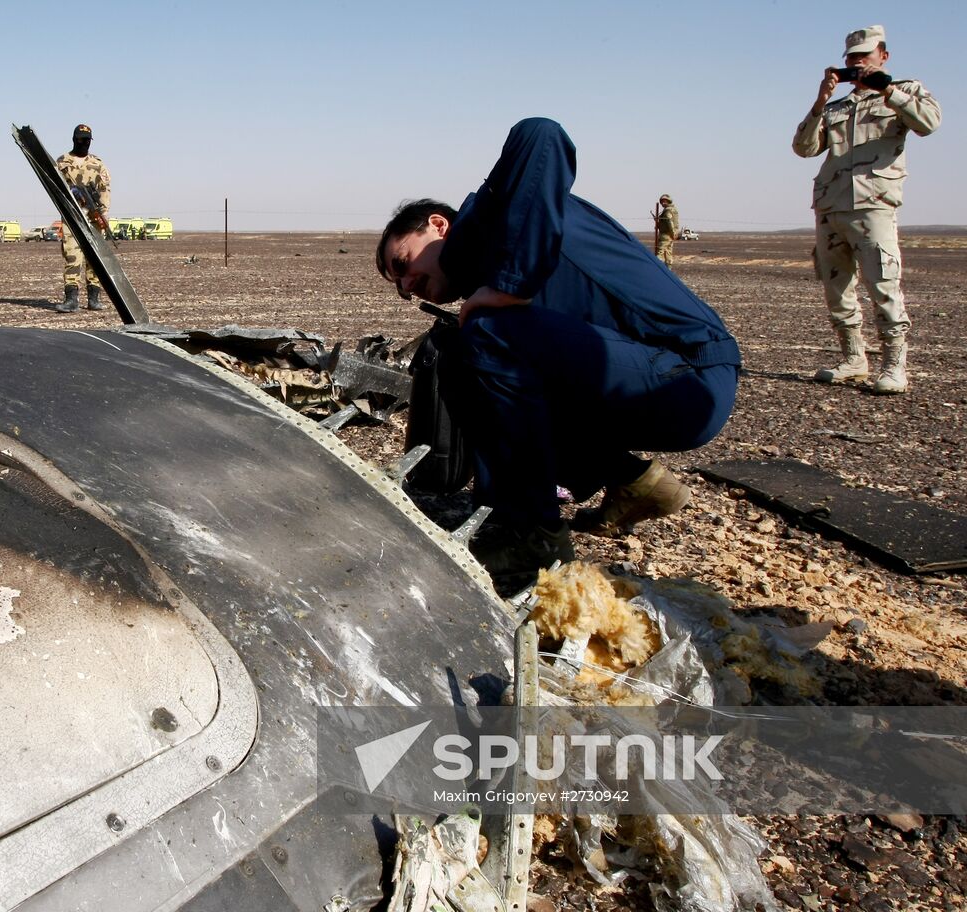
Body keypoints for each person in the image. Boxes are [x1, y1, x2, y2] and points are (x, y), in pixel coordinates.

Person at [376, 118, 740, 592]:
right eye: (399, 288)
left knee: (485, 334)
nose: (407, 286)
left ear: (439, 226)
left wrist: (511, 286)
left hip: (688, 374)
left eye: (403, 265)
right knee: (463, 346)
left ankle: (531, 535)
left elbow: (540, 134)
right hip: (645, 375)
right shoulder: (493, 262)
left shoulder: (498, 219)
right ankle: (632, 480)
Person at [792, 25, 941, 394]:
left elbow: (929, 124)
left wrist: (887, 89)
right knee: (836, 288)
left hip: (873, 204)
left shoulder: (904, 92)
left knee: (883, 285)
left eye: (864, 56)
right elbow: (804, 148)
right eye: (851, 59)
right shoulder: (837, 107)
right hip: (831, 207)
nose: (857, 63)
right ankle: (854, 359)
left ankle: (894, 366)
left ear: (883, 56)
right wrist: (819, 102)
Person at [54, 124, 112, 313]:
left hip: (93, 216)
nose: (84, 143)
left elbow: (104, 189)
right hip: (72, 216)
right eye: (81, 139)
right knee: (72, 256)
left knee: (94, 258)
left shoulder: (98, 163)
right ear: (74, 139)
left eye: (87, 140)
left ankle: (93, 299)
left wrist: (104, 214)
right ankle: (71, 299)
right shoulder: (62, 162)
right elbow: (55, 186)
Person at [653, 194, 679, 266]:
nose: (663, 203)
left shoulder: (667, 211)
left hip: (666, 235)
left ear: (668, 201)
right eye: (662, 202)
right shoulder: (673, 210)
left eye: (665, 201)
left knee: (660, 253)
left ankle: (658, 268)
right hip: (670, 235)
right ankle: (668, 271)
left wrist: (673, 233)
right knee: (668, 253)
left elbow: (669, 222)